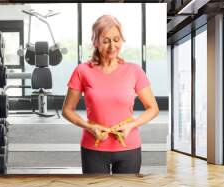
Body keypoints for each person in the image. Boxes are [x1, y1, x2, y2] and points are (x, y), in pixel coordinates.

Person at [62, 15, 159, 174]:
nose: (112, 46)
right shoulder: (83, 71)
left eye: (116, 39)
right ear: (95, 42)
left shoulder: (134, 70)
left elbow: (153, 108)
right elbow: (67, 110)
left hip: (129, 147)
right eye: (106, 41)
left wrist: (132, 125)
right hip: (94, 148)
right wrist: (89, 127)